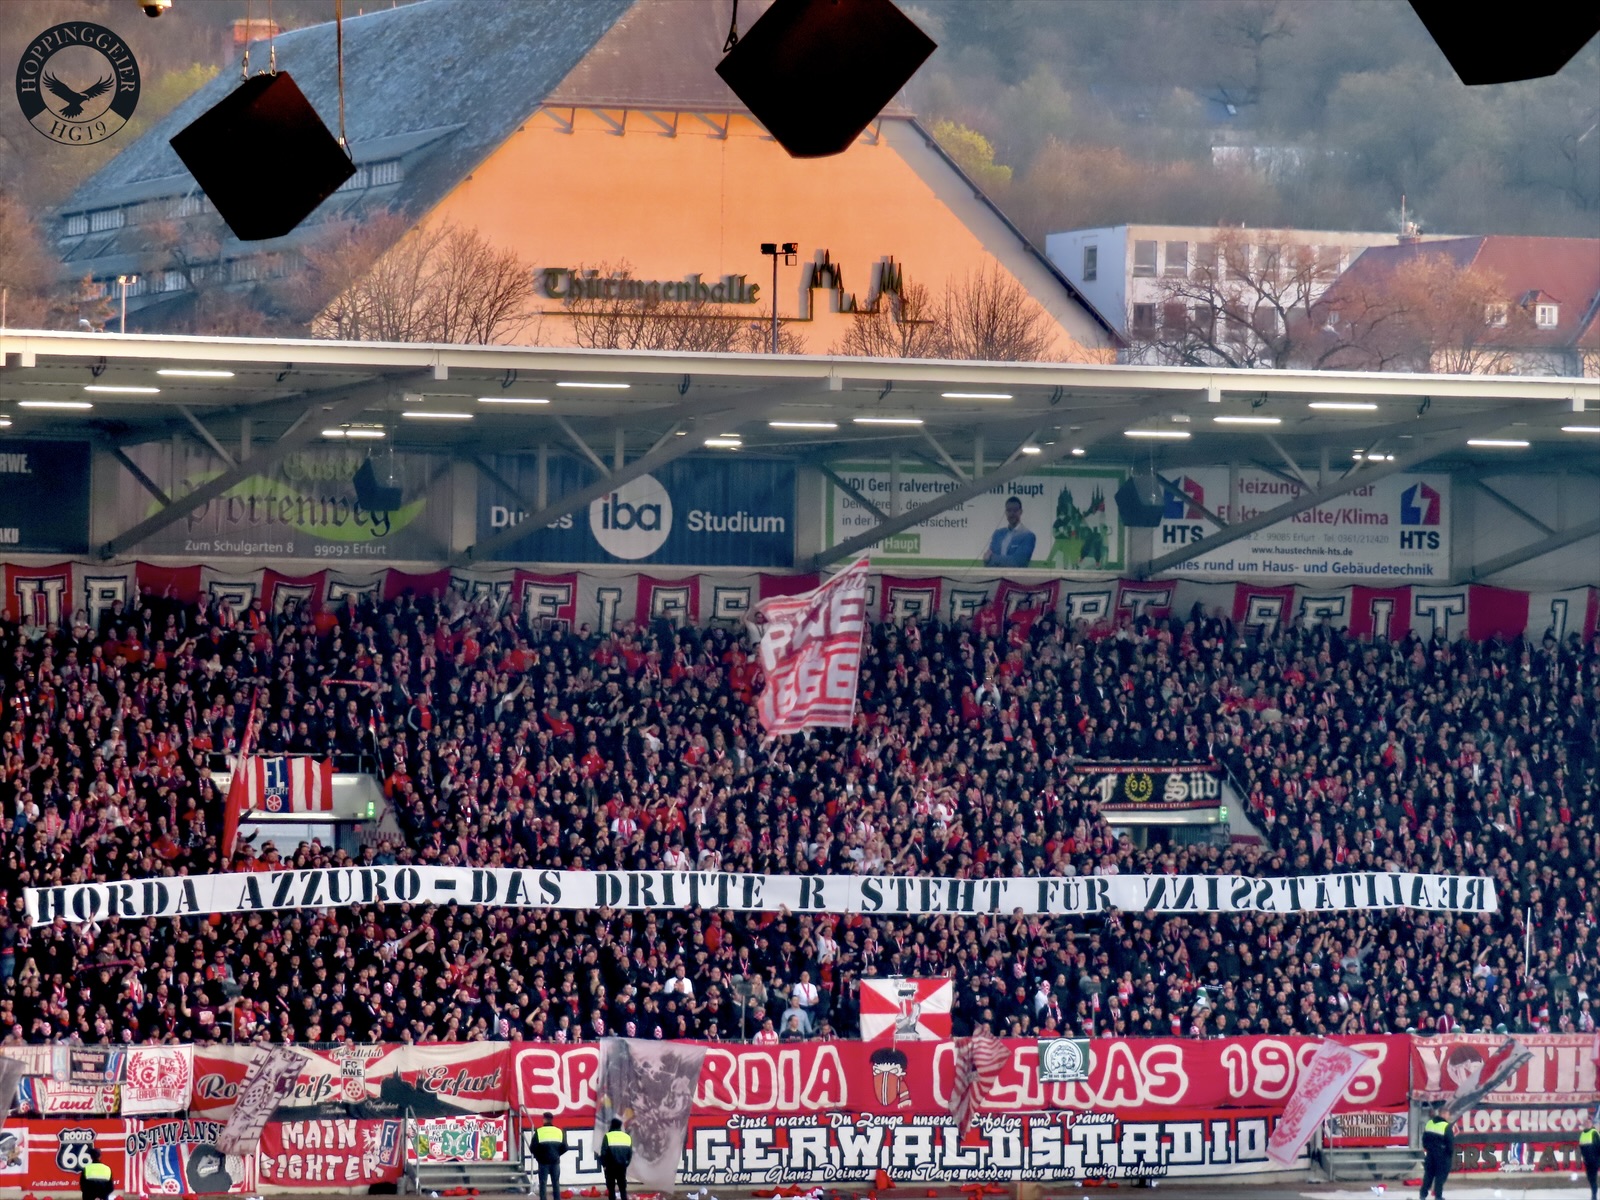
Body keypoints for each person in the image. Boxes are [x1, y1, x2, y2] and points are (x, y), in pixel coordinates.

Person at [983, 496, 1035, 567]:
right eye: (1009, 510)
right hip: (996, 574)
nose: (1011, 514)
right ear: (1005, 512)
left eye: (1015, 510)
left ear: (1021, 512)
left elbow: (1018, 562)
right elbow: (988, 564)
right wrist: (988, 559)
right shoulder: (998, 534)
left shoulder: (1028, 536)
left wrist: (992, 558)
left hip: (1015, 575)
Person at [1420, 1103, 1454, 1200]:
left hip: (1430, 1154)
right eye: (1448, 1114)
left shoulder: (1429, 1123)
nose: (1449, 1116)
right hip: (1442, 1155)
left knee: (1428, 1175)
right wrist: (1449, 1154)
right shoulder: (1446, 1126)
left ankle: (1423, 1195)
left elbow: (1424, 1139)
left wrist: (1429, 1149)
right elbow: (1450, 1143)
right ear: (1444, 1114)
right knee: (1440, 1176)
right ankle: (1438, 1196)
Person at [531, 1112, 568, 1200]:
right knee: (556, 1183)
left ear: (544, 1119)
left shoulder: (539, 1131)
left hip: (543, 1162)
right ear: (552, 1120)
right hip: (555, 1161)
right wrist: (557, 1154)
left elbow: (533, 1148)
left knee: (543, 1183)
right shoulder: (559, 1131)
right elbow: (565, 1147)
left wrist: (538, 1157)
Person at [599, 1118, 632, 1200]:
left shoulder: (608, 1136)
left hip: (610, 1166)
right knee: (622, 1187)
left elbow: (603, 1152)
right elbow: (630, 1154)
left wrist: (604, 1165)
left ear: (611, 1125)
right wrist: (625, 1164)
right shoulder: (627, 1137)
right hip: (622, 1166)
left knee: (611, 1189)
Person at [1579, 1111, 1599, 1200]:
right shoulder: (1582, 1134)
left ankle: (1594, 1195)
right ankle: (1593, 1192)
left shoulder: (1594, 1133)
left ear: (1591, 1123)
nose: (1587, 1123)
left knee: (1593, 1177)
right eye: (1586, 1122)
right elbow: (1582, 1148)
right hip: (1587, 1161)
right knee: (1590, 1178)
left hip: (1595, 1160)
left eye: (1589, 1122)